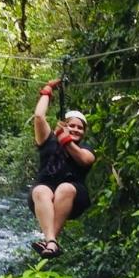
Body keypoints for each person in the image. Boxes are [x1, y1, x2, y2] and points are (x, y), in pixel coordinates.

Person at [28, 78, 96, 258]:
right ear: (65, 125)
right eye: (72, 125)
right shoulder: (47, 140)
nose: (75, 130)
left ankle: (51, 240)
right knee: (41, 190)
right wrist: (48, 90)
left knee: (64, 188)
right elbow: (39, 117)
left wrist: (65, 140)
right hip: (44, 194)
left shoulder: (85, 148)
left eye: (80, 128)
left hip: (73, 196)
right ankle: (51, 242)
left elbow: (85, 160)